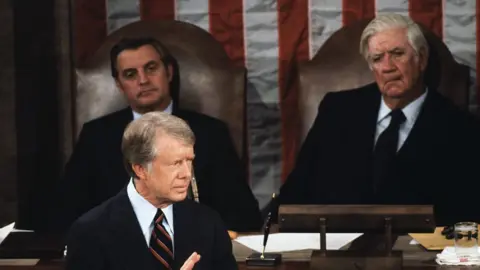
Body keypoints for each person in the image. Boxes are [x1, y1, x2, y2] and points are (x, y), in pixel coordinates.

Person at [278, 13, 480, 226]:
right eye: (377, 58)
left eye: (397, 54)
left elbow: (467, 218)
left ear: (421, 59)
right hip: (336, 250)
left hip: (418, 255)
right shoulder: (337, 111)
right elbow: (295, 193)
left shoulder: (460, 129)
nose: (387, 67)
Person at [57, 37, 262, 233]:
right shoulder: (96, 136)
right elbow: (67, 213)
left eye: (151, 68)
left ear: (169, 72)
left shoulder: (211, 133)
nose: (143, 80)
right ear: (119, 85)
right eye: (130, 74)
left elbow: (244, 214)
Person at [65, 112, 238, 270]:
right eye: (176, 163)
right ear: (140, 169)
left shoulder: (209, 224)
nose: (187, 174)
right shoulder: (90, 232)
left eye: (189, 161)